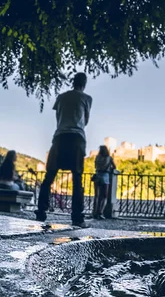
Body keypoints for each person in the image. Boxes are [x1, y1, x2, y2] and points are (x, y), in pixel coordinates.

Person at [35, 72, 92, 227]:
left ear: (73, 82)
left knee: (49, 176)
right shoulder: (87, 99)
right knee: (77, 178)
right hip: (77, 138)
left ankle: (41, 212)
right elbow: (85, 121)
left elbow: (58, 118)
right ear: (84, 83)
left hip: (60, 136)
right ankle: (77, 217)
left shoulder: (61, 97)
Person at [93, 145, 116, 219]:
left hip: (97, 175)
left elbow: (95, 166)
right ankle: (100, 212)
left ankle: (95, 212)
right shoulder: (109, 158)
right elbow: (114, 167)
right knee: (105, 196)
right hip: (105, 176)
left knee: (97, 196)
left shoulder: (97, 157)